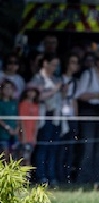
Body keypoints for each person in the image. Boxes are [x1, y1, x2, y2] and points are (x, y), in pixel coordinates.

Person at [75, 50, 99, 186]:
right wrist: (97, 96)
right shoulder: (88, 74)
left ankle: (98, 178)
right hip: (89, 110)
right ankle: (83, 178)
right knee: (88, 145)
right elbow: (79, 94)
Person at [29, 52, 63, 185]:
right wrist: (54, 90)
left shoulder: (56, 79)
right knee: (42, 147)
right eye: (54, 64)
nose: (55, 67)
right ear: (45, 64)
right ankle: (41, 176)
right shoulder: (36, 80)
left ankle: (51, 175)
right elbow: (38, 97)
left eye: (57, 65)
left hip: (56, 117)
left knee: (53, 147)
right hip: (42, 117)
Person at [57, 52, 81, 184]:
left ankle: (66, 177)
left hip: (71, 117)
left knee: (70, 148)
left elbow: (75, 100)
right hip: (60, 116)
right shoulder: (59, 79)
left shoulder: (76, 82)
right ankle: (59, 175)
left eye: (76, 63)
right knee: (60, 147)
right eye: (72, 62)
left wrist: (76, 119)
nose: (75, 65)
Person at [18, 85, 40, 168]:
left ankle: (27, 178)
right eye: (29, 91)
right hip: (24, 135)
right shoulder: (23, 104)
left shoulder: (35, 105)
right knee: (21, 158)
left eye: (33, 91)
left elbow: (36, 122)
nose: (31, 93)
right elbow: (22, 121)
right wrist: (23, 135)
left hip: (31, 136)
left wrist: (35, 136)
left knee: (28, 157)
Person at [0, 79, 19, 163]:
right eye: (6, 88)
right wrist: (8, 128)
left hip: (15, 135)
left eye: (10, 88)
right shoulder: (1, 103)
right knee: (5, 157)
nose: (8, 90)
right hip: (3, 135)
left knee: (15, 158)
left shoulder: (15, 103)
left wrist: (17, 129)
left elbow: (19, 118)